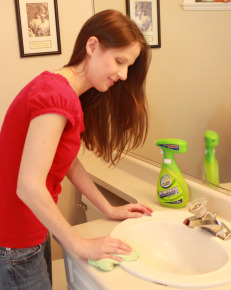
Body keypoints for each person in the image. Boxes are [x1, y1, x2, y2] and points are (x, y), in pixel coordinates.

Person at [0, 9, 152, 289]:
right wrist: (79, 244)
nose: (123, 74)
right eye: (119, 61)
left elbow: (67, 162)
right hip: (14, 240)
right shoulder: (56, 95)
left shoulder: (64, 92)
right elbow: (29, 186)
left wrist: (107, 208)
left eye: (128, 66)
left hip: (29, 229)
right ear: (92, 46)